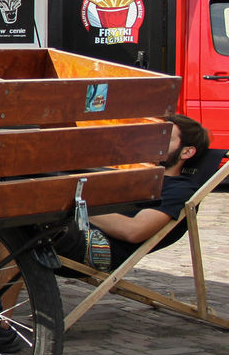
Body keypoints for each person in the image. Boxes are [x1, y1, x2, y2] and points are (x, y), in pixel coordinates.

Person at [54, 113, 211, 272]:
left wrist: (71, 206)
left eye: (162, 139)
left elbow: (134, 230)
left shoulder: (179, 189)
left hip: (96, 246)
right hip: (69, 230)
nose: (151, 142)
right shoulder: (139, 176)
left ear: (187, 152)